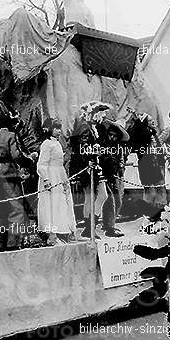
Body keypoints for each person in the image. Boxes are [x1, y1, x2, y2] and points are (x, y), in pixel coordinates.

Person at [0, 102, 34, 252]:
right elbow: (16, 155)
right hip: (10, 174)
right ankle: (13, 244)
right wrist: (29, 160)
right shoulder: (11, 135)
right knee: (16, 210)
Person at [69, 101, 110, 240]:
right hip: (88, 166)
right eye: (101, 113)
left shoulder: (89, 126)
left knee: (91, 197)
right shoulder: (85, 127)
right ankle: (90, 226)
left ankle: (89, 227)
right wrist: (96, 150)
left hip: (90, 164)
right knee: (99, 196)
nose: (103, 116)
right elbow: (82, 148)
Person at [37, 118, 77, 244]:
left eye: (60, 128)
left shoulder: (57, 143)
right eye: (56, 128)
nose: (59, 131)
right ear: (49, 129)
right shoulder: (47, 144)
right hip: (51, 176)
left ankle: (63, 231)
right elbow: (41, 164)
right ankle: (52, 235)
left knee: (61, 204)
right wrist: (46, 179)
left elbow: (60, 162)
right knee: (51, 205)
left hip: (59, 174)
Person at [125, 106, 166, 210]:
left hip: (157, 164)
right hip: (146, 165)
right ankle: (149, 211)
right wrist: (135, 115)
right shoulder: (142, 134)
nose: (153, 122)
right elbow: (140, 127)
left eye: (153, 120)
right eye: (150, 121)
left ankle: (161, 208)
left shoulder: (153, 133)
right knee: (149, 189)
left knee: (160, 187)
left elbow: (159, 147)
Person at [99, 120, 129, 238]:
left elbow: (121, 160)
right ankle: (109, 227)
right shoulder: (103, 144)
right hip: (105, 175)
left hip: (116, 175)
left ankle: (110, 223)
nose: (111, 137)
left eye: (114, 136)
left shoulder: (119, 147)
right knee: (110, 200)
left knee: (118, 200)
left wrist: (121, 166)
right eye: (110, 135)